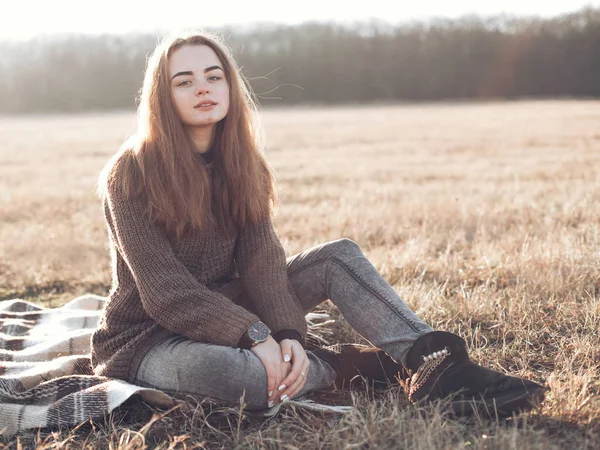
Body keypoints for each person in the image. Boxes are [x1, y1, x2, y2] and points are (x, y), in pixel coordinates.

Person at [92, 31, 545, 416]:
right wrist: (256, 337)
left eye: (214, 76)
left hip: (232, 306)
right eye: (184, 81)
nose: (202, 89)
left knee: (338, 257)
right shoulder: (131, 172)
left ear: (230, 87)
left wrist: (285, 332)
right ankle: (348, 366)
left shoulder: (242, 163)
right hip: (150, 336)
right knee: (243, 377)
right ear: (163, 97)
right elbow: (166, 293)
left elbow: (262, 261)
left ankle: (434, 364)